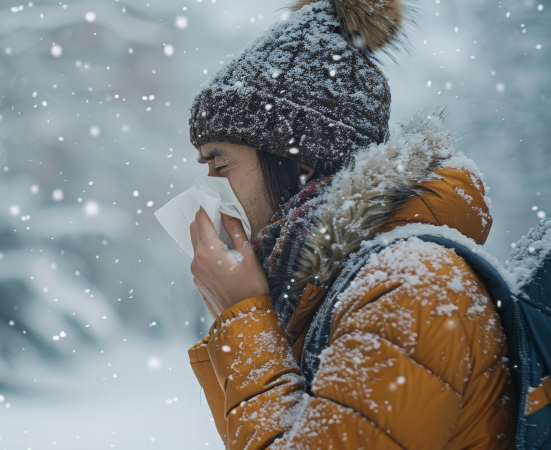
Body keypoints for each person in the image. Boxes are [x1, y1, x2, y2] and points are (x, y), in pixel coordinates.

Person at [184, 0, 515, 448]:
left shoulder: (406, 287)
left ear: (294, 158)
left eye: (219, 165)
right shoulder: (329, 290)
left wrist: (242, 318)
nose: (209, 191)